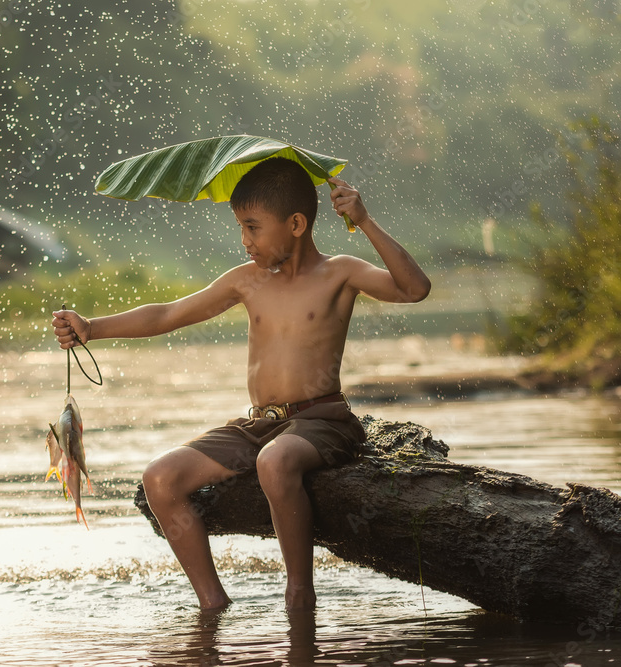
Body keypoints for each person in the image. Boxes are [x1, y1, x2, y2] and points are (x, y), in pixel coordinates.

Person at [51, 157, 431, 611]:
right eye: (241, 228)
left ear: (295, 224)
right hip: (257, 425)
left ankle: (299, 592)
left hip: (321, 420)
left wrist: (364, 221)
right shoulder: (247, 281)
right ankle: (212, 605)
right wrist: (93, 326)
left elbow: (414, 289)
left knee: (275, 462)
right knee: (160, 477)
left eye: (253, 227)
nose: (245, 241)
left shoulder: (341, 272)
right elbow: (169, 314)